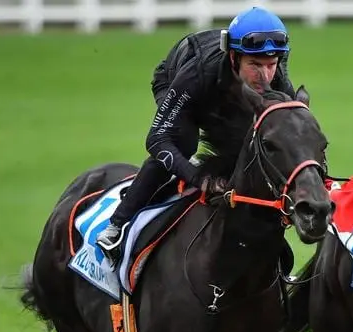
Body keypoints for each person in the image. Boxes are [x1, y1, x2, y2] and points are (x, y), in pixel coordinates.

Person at [97, 6, 295, 259]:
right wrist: (199, 179)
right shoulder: (199, 73)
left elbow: (290, 133)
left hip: (228, 91)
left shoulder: (274, 75)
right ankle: (118, 224)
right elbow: (157, 140)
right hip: (178, 81)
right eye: (255, 65)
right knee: (182, 142)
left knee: (257, 139)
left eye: (271, 65)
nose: (265, 76)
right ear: (233, 57)